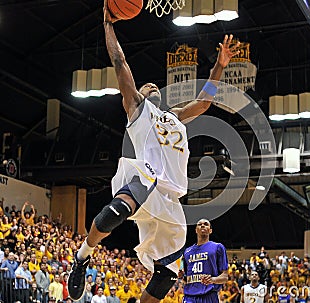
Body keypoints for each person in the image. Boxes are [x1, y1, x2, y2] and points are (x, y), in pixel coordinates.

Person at [67, 0, 240, 301]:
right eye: (146, 86)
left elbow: (204, 102)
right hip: (146, 177)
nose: (151, 86)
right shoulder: (137, 108)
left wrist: (219, 66)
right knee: (118, 211)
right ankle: (82, 257)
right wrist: (108, 25)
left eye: (153, 85)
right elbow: (120, 62)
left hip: (171, 198)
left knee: (167, 274)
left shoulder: (174, 116)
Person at [182, 219, 229, 303]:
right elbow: (186, 278)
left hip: (209, 295)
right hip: (189, 296)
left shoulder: (217, 247)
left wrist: (212, 280)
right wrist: (181, 275)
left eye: (206, 224)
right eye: (199, 224)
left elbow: (225, 277)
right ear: (196, 230)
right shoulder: (187, 251)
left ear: (210, 231)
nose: (202, 225)